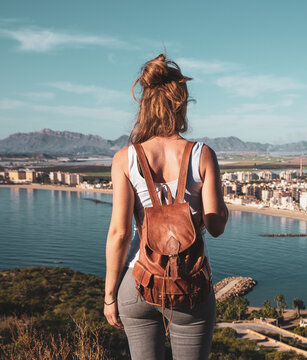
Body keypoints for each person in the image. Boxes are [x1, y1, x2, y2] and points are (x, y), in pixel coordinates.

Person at [104, 54, 228, 360]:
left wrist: (110, 297)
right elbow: (216, 227)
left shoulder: (124, 158)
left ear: (145, 107)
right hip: (190, 287)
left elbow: (119, 234)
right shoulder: (203, 154)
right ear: (181, 105)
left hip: (138, 282)